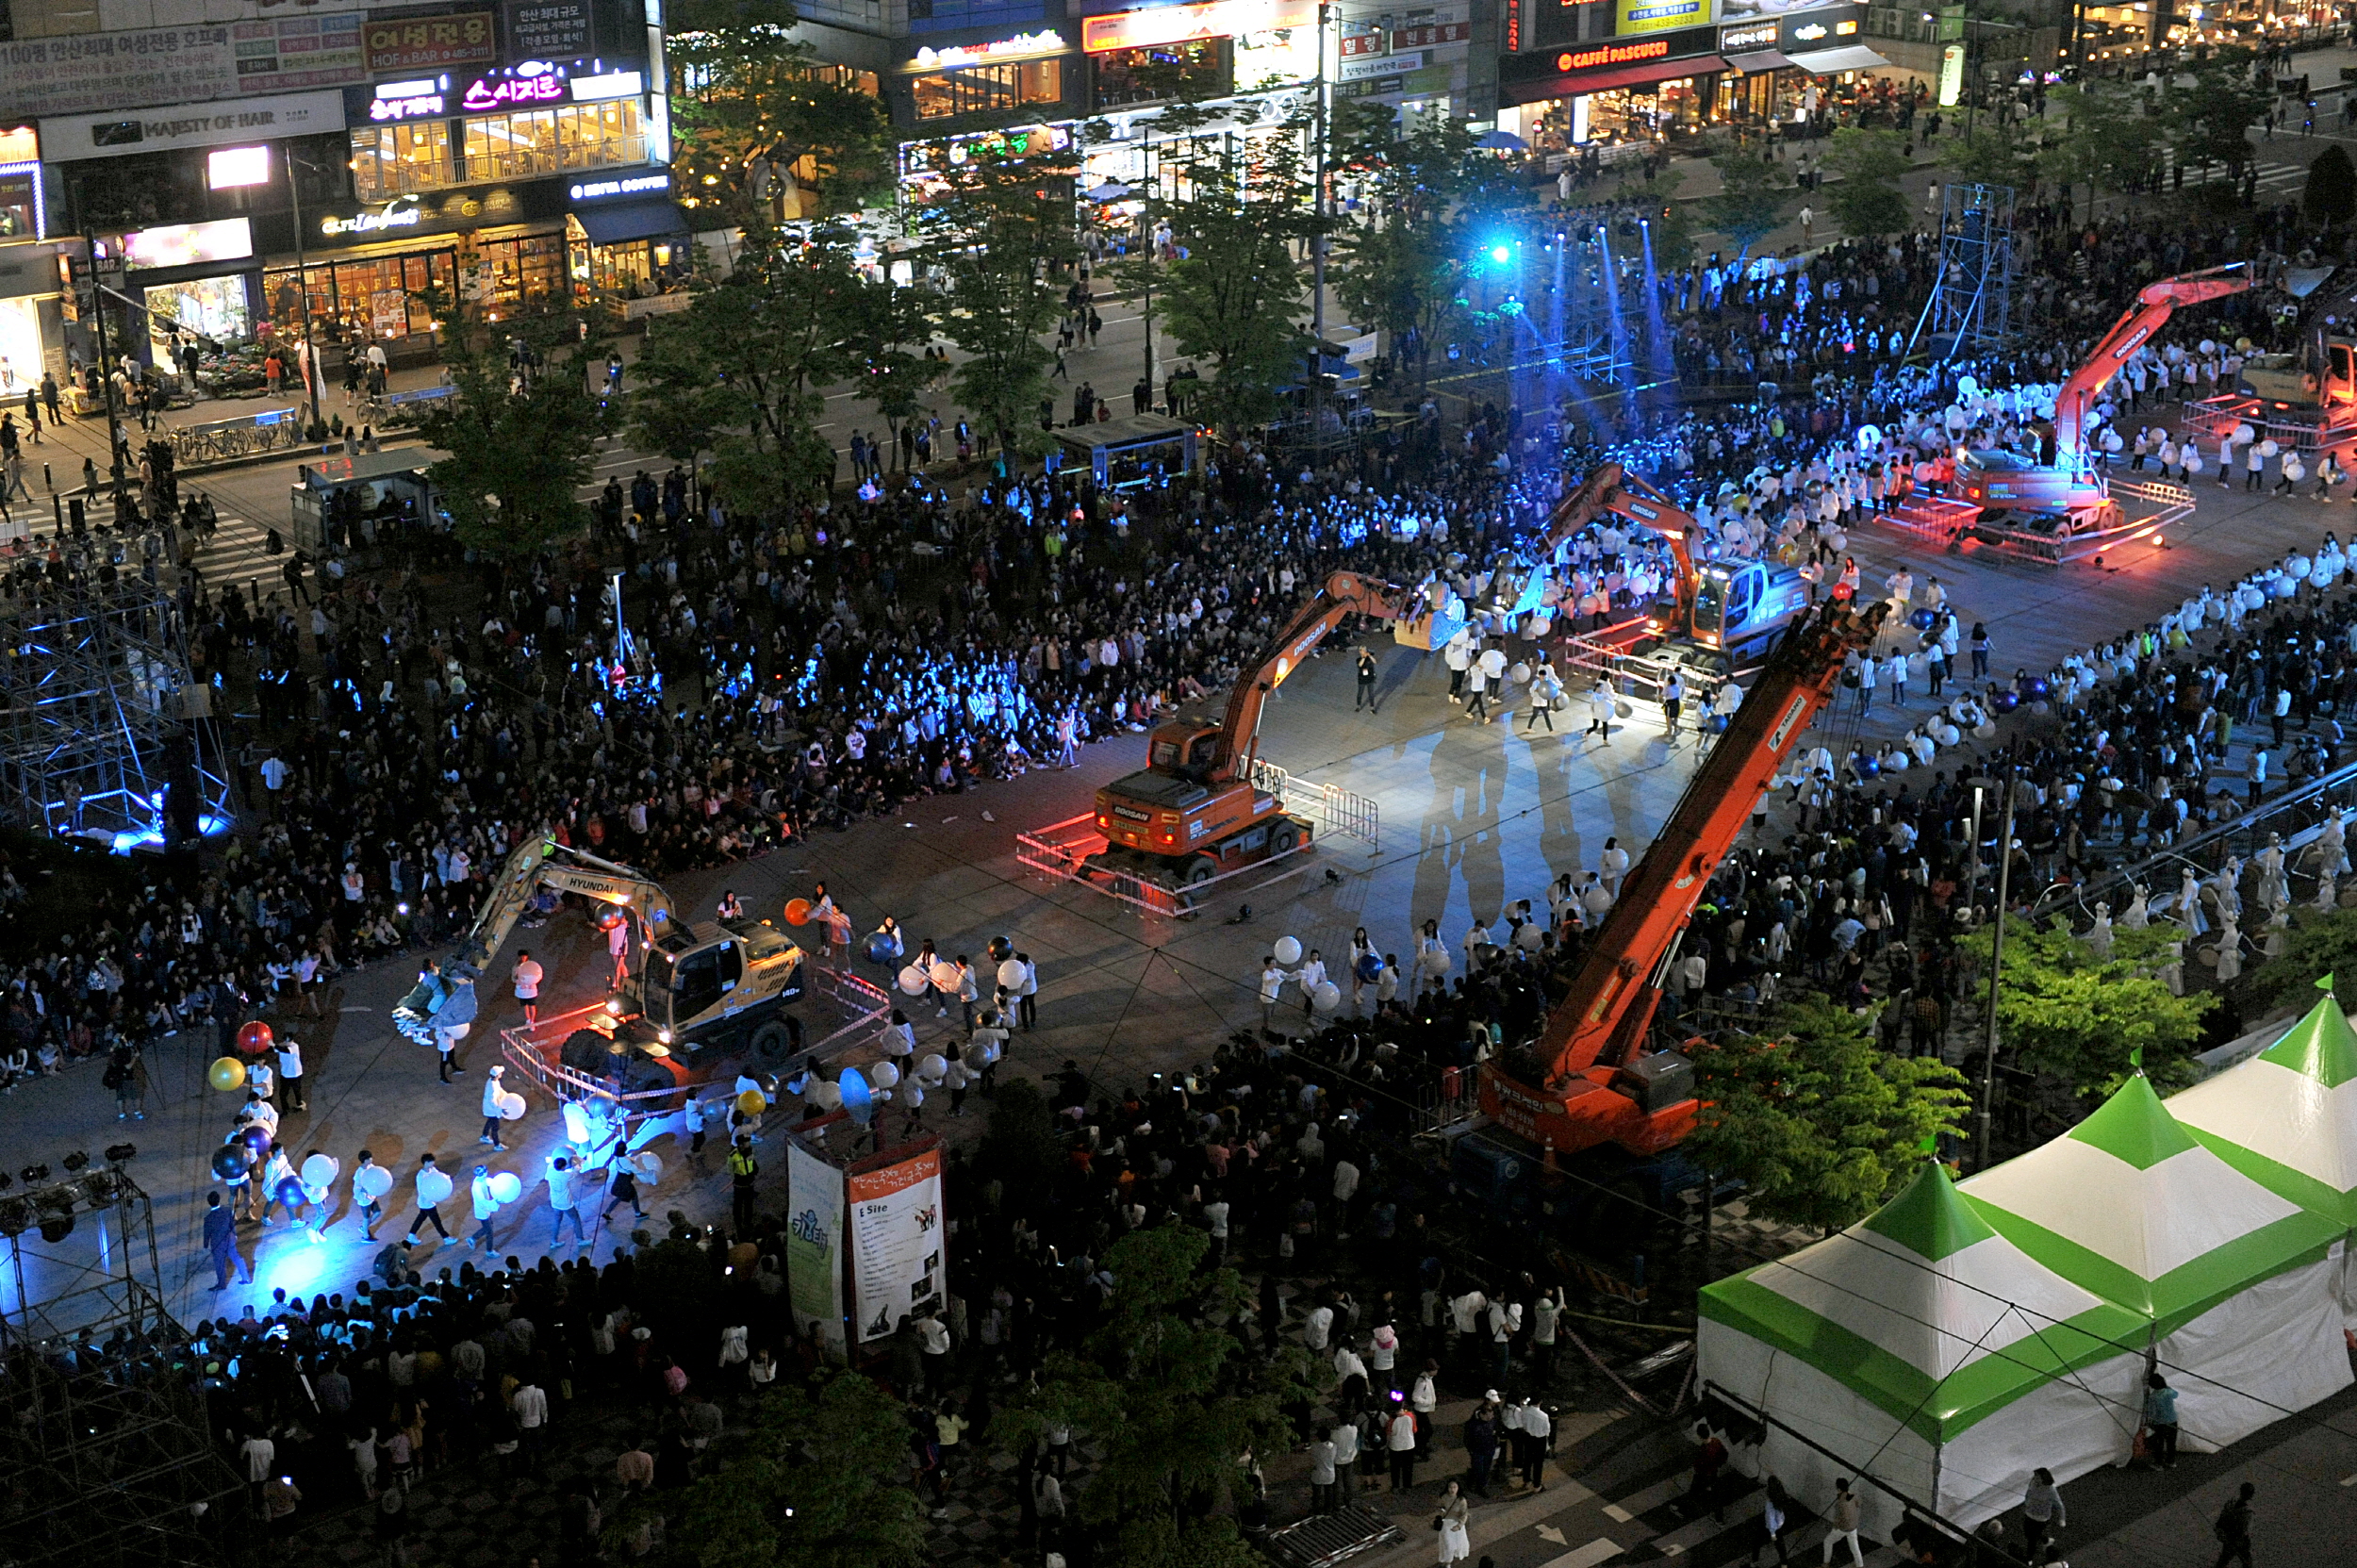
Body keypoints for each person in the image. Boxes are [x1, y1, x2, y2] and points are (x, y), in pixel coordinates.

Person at [205, 1190, 249, 1289]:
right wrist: (234, 1234)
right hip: (230, 1239)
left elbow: (207, 1233)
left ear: (209, 1202)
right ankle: (246, 1278)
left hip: (217, 1244)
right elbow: (232, 1224)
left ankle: (222, 1285)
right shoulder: (227, 1211)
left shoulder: (208, 1218)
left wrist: (206, 1245)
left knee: (219, 1264)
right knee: (237, 1258)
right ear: (219, 1200)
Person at [404, 1154, 452, 1243]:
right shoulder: (421, 1176)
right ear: (426, 1162)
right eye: (431, 1161)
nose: (433, 1163)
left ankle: (411, 1236)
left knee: (421, 1218)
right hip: (426, 1202)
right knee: (437, 1221)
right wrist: (429, 1198)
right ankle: (446, 1238)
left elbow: (439, 1177)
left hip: (430, 1201)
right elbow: (422, 1190)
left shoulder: (432, 1169)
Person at [2021, 1467, 2065, 1560]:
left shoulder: (2050, 1490)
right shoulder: (2033, 1482)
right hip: (2029, 1513)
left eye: (2037, 1477)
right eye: (2035, 1476)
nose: (2035, 1478)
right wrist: (2027, 1502)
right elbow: (2028, 1493)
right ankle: (2046, 1540)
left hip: (2041, 1518)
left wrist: (2062, 1519)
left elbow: (2059, 1504)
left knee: (2031, 1539)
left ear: (2043, 1478)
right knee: (2027, 1533)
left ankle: (2029, 1559)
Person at [1822, 1476, 1864, 1566]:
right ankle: (1860, 1565)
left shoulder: (1840, 1503)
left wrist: (1835, 1527)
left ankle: (1826, 1564)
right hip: (1853, 1527)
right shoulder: (1853, 1496)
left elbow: (1838, 1519)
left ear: (1838, 1489)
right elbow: (1858, 1503)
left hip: (1843, 1528)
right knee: (1855, 1548)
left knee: (1828, 1541)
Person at [545, 1154, 585, 1246]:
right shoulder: (566, 1176)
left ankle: (553, 1241)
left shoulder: (550, 1171)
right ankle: (580, 1239)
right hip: (566, 1203)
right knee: (575, 1219)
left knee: (557, 1220)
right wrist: (579, 1164)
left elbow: (550, 1164)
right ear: (563, 1167)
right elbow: (575, 1172)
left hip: (555, 1202)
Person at [2212, 1480, 2253, 1568]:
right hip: (2240, 1541)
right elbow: (2243, 1530)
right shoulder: (2248, 1511)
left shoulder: (2231, 1503)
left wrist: (2219, 1530)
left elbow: (2222, 1519)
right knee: (2247, 1563)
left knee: (2222, 1562)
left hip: (2229, 1539)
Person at [2142, 1372, 2179, 1469]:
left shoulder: (2153, 1397)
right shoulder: (2169, 1392)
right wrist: (2168, 1388)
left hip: (2160, 1423)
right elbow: (2176, 1395)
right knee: (2171, 1443)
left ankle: (2158, 1463)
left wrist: (2149, 1423)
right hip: (2172, 1420)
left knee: (2159, 1444)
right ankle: (2171, 1461)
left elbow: (2152, 1412)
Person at [730, 1133, 759, 1231]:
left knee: (749, 1205)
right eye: (747, 1141)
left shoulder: (749, 1151)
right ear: (741, 1144)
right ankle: (738, 1223)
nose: (749, 1143)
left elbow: (752, 1163)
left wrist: (754, 1170)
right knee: (738, 1205)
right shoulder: (733, 1155)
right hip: (740, 1185)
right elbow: (730, 1170)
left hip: (749, 1183)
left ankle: (748, 1222)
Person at [479, 1063, 511, 1148]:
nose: (501, 1074)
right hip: (492, 1110)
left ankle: (484, 1136)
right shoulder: (492, 1086)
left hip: (490, 1110)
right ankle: (497, 1145)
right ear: (497, 1075)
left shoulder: (493, 1081)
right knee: (495, 1128)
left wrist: (506, 1095)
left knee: (489, 1122)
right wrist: (500, 1109)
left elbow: (499, 1090)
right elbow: (492, 1100)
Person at [274, 1035, 305, 1113]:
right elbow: (275, 1049)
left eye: (288, 1042)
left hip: (295, 1074)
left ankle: (299, 1104)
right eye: (285, 1041)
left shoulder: (295, 1046)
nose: (287, 1043)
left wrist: (274, 1045)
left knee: (297, 1090)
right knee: (283, 1093)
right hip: (285, 1074)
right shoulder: (281, 1046)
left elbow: (286, 1051)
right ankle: (285, 1108)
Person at [511, 949, 542, 1026]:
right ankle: (528, 1020)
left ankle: (532, 1021)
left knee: (532, 1005)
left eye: (524, 957)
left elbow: (537, 974)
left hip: (530, 989)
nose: (523, 958)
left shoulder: (530, 965)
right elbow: (513, 978)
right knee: (525, 1006)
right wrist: (518, 980)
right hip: (521, 989)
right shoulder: (516, 967)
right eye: (521, 957)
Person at [1357, 647, 1379, 711]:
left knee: (1371, 694)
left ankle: (1372, 707)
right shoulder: (1358, 659)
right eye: (1363, 651)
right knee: (1360, 693)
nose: (1365, 652)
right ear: (1360, 651)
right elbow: (1360, 665)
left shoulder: (1369, 659)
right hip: (1362, 679)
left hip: (1370, 678)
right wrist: (1363, 658)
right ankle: (1358, 706)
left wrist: (1370, 656)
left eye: (1365, 650)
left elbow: (1375, 662)